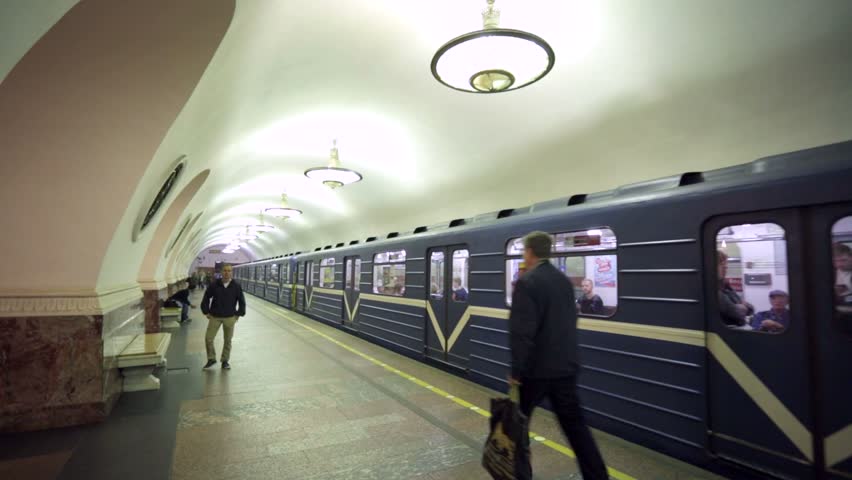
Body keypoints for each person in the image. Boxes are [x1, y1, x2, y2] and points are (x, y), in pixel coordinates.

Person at [508, 231, 608, 480]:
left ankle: (520, 476)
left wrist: (516, 371)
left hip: (535, 371)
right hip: (565, 368)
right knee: (576, 428)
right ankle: (597, 476)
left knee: (518, 427)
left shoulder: (526, 282)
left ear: (529, 252)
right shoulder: (564, 281)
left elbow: (522, 332)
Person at [200, 264, 246, 370]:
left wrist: (238, 314)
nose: (227, 273)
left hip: (230, 317)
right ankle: (211, 359)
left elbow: (242, 301)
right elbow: (206, 297)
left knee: (228, 340)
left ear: (232, 273)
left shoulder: (236, 286)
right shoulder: (214, 285)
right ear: (221, 272)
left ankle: (225, 361)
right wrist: (206, 311)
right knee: (208, 338)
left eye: (229, 271)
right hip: (215, 316)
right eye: (225, 270)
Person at [717, 251, 754, 326]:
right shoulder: (712, 290)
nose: (725, 267)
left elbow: (751, 309)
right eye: (722, 264)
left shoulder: (726, 286)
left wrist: (741, 306)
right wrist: (740, 306)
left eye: (726, 265)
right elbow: (737, 313)